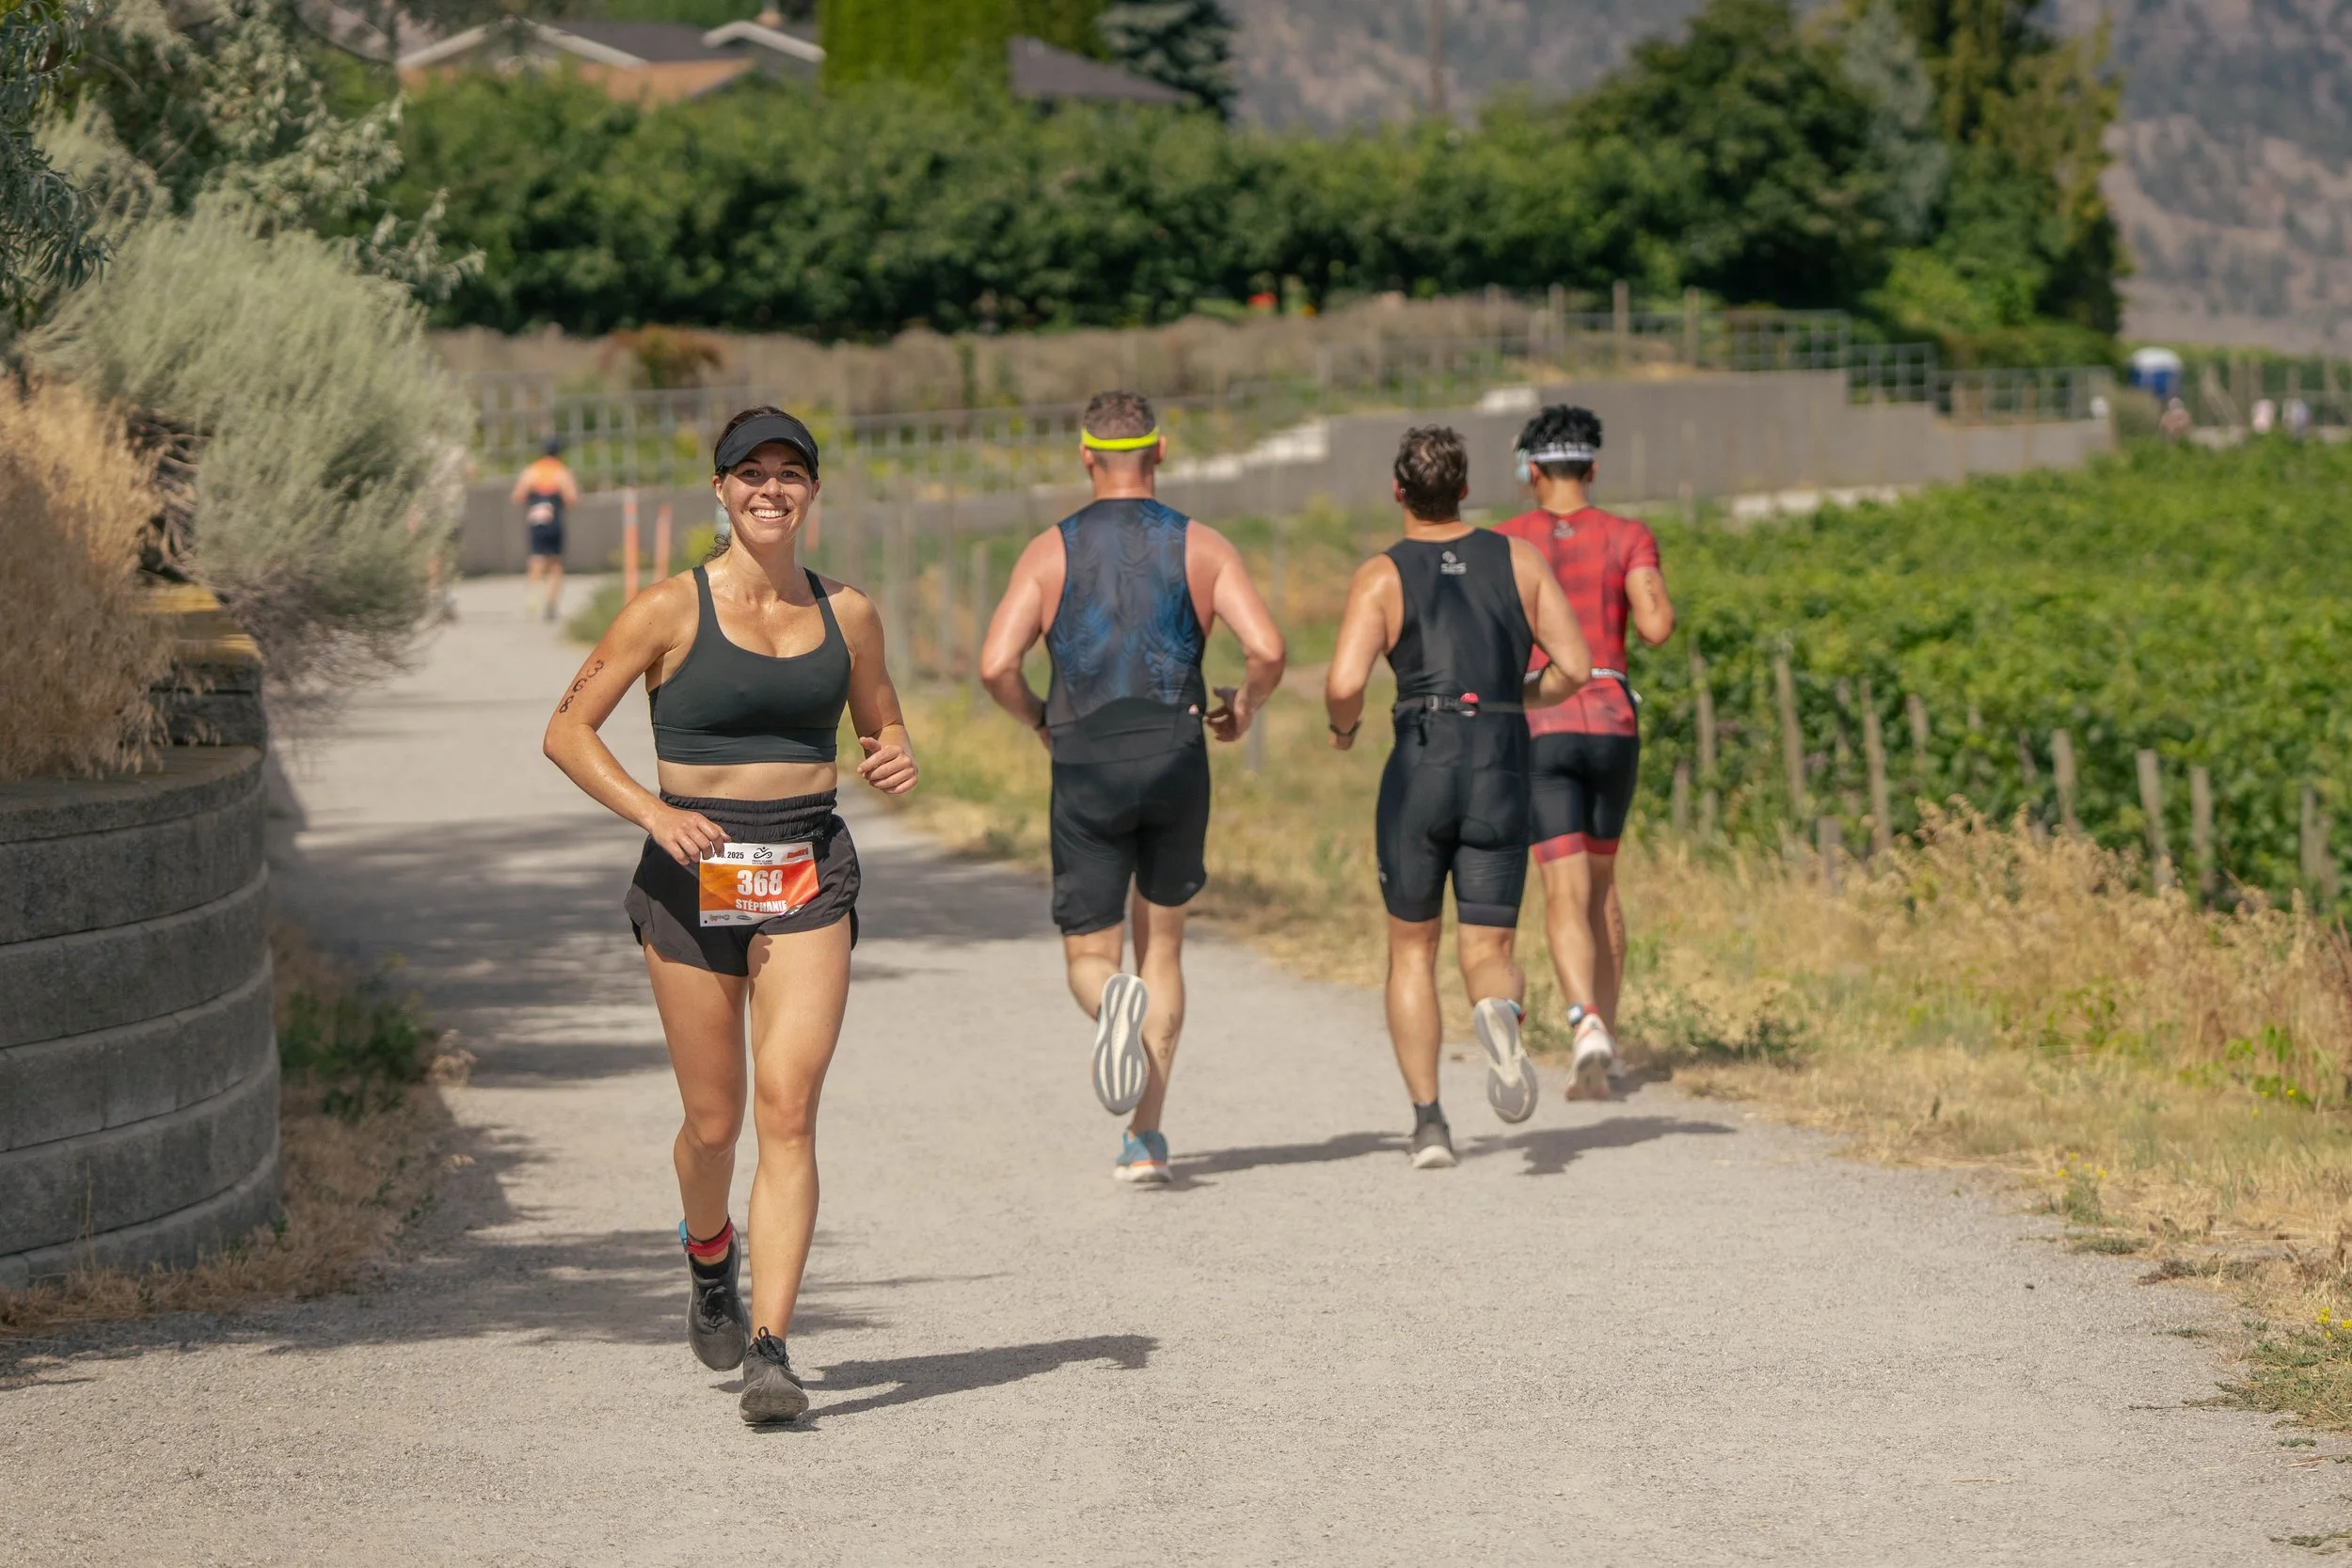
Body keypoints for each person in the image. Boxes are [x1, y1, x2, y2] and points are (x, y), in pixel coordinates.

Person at [542, 407, 917, 1425]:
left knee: (788, 1110)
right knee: (715, 1122)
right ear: (719, 489)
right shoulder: (667, 608)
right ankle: (709, 1256)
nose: (769, 487)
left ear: (811, 492)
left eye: (789, 472)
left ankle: (770, 1349)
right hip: (691, 872)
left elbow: (882, 722)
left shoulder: (850, 614)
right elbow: (567, 730)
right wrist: (654, 812)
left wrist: (894, 753)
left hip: (806, 864)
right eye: (750, 471)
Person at [979, 390, 1285, 1184]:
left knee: (1093, 951)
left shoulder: (1050, 550)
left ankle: (1109, 999)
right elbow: (1268, 647)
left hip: (1085, 753)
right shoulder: (1203, 545)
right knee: (1166, 947)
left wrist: (1040, 719)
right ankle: (1147, 1135)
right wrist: (1244, 706)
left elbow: (994, 664)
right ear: (1162, 452)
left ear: (1085, 456)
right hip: (1177, 746)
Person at [1325, 425, 1591, 1169]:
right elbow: (1576, 665)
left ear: (1399, 491)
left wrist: (1341, 730)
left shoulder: (1381, 574)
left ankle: (1429, 1123)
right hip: (1501, 758)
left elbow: (1345, 684)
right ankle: (1497, 1014)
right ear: (1467, 489)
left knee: (1412, 947)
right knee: (1491, 947)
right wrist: (1518, 696)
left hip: (1421, 760)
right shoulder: (1520, 558)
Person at [1496, 406, 1676, 1101]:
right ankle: (1614, 1048)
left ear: (1531, 472)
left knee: (1562, 890)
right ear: (1592, 468)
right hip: (1612, 721)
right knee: (1604, 887)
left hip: (1542, 722)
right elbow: (1656, 626)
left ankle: (1585, 1023)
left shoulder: (1508, 540)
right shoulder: (1628, 535)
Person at [514, 437, 580, 621]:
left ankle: (533, 595)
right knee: (556, 564)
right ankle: (551, 603)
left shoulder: (531, 471)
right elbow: (572, 499)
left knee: (536, 559)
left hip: (535, 520)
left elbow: (518, 496)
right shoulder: (562, 472)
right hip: (554, 520)